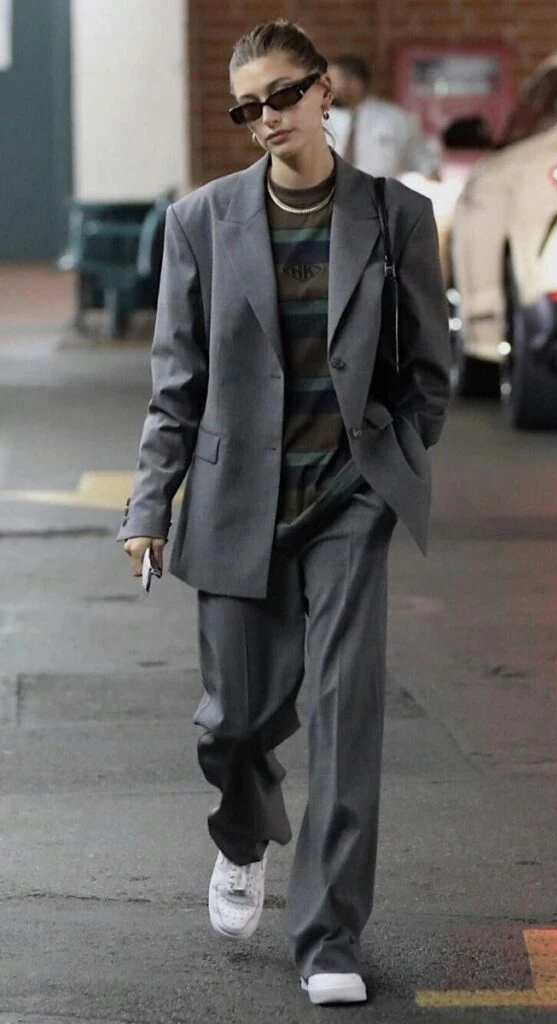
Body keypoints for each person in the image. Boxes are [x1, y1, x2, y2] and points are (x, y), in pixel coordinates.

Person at [119, 19, 450, 1007]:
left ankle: (328, 937)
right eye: (247, 106)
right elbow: (176, 382)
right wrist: (150, 503)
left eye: (281, 95)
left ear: (324, 92)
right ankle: (241, 831)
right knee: (233, 723)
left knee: (347, 718)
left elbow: (428, 372)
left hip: (347, 500)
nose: (265, 117)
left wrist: (389, 463)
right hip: (234, 501)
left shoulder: (396, 215)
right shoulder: (200, 222)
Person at [328, 54, 441, 179]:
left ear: (355, 83)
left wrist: (434, 179)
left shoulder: (394, 119)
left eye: (334, 81)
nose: (329, 87)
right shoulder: (321, 119)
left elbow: (424, 161)